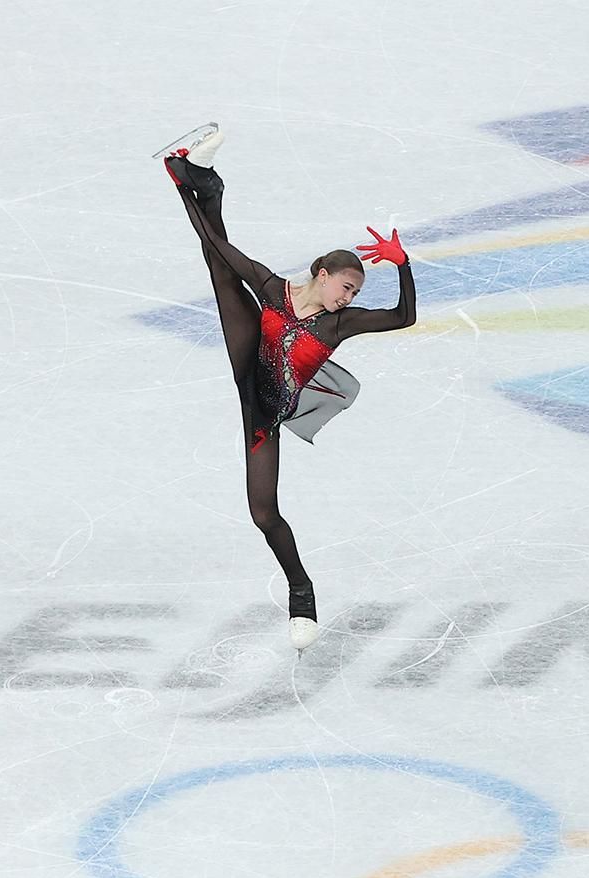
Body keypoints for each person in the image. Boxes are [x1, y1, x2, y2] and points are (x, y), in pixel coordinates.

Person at [158, 124, 417, 649]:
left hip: (266, 412)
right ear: (321, 274)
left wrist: (404, 265)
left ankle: (302, 590)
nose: (349, 296)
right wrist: (180, 186)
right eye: (346, 285)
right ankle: (202, 181)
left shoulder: (340, 325)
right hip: (247, 354)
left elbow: (403, 317)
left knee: (262, 512)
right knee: (219, 266)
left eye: (355, 291)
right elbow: (218, 246)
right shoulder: (275, 289)